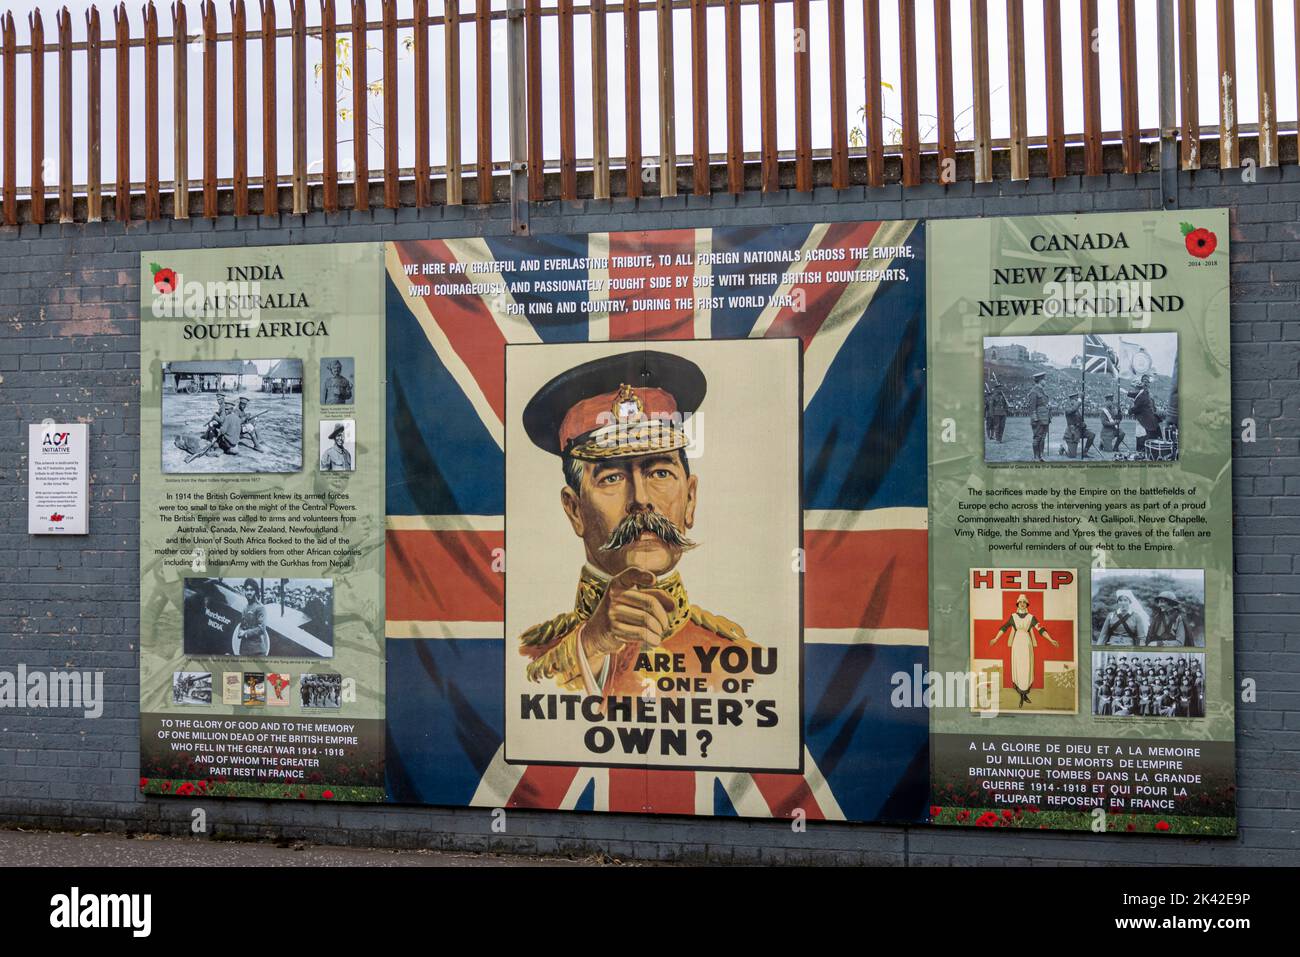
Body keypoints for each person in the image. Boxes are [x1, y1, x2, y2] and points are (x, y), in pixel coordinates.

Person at [516, 351, 754, 698]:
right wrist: (593, 645)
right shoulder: (528, 661)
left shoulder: (740, 660)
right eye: (611, 477)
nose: (641, 498)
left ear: (691, 500)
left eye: (660, 472)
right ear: (574, 510)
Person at [988, 594, 1060, 708]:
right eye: (1020, 602)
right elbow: (1004, 627)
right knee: (1019, 668)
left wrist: (1051, 640)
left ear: (1027, 604)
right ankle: (1021, 696)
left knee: (1026, 668)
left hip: (1027, 644)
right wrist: (996, 638)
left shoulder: (1031, 617)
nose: (1022, 604)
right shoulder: (1013, 617)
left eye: (1024, 602)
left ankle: (1024, 695)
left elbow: (1041, 629)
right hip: (1017, 645)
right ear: (1017, 604)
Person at [1127, 374, 1161, 457]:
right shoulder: (1138, 393)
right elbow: (1135, 403)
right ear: (1141, 383)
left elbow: (1153, 407)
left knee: (1151, 437)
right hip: (1141, 419)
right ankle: (1141, 452)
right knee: (1141, 435)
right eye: (1144, 381)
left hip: (1150, 419)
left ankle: (1150, 452)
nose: (1146, 384)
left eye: (1147, 382)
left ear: (1149, 384)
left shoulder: (1150, 394)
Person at [233, 578, 270, 656]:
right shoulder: (245, 608)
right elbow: (242, 625)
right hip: (244, 650)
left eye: (251, 590)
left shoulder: (260, 607)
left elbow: (261, 629)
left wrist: (245, 633)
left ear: (255, 592)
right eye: (247, 590)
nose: (249, 592)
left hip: (257, 651)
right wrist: (240, 632)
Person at [1062, 391, 1095, 458]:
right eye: (1075, 399)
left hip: (1079, 430)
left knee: (1091, 435)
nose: (1076, 401)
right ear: (1071, 400)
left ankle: (1085, 452)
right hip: (1072, 432)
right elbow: (1073, 410)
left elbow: (1080, 420)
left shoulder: (1077, 410)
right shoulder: (1068, 408)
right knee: (1072, 456)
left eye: (1076, 399)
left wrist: (1083, 424)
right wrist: (1080, 400)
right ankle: (1063, 447)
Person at [1028, 371, 1051, 462]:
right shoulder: (1034, 392)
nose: (1045, 381)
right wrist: (1035, 419)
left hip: (1045, 418)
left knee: (1043, 437)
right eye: (1044, 379)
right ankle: (1036, 457)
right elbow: (1032, 407)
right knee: (1037, 437)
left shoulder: (1042, 391)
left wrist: (1048, 406)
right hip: (1038, 419)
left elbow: (1043, 404)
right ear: (1040, 380)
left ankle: (1041, 456)